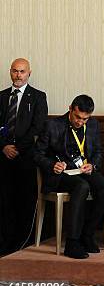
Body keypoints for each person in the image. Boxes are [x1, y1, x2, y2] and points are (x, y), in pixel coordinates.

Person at [34, 94, 104, 259]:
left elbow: (98, 151)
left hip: (84, 170)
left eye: (85, 119)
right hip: (61, 174)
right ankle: (72, 242)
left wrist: (93, 165)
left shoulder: (93, 125)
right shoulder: (52, 125)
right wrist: (51, 165)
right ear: (70, 109)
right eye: (78, 117)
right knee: (81, 186)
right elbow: (36, 153)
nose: (80, 122)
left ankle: (87, 233)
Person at [0, 58, 48, 255]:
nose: (18, 75)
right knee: (4, 201)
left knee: (24, 200)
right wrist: (4, 146)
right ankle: (4, 241)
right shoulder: (2, 97)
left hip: (26, 157)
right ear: (10, 72)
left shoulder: (37, 97)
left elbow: (38, 127)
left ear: (29, 73)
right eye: (14, 71)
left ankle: (21, 242)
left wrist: (18, 147)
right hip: (3, 157)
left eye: (22, 71)